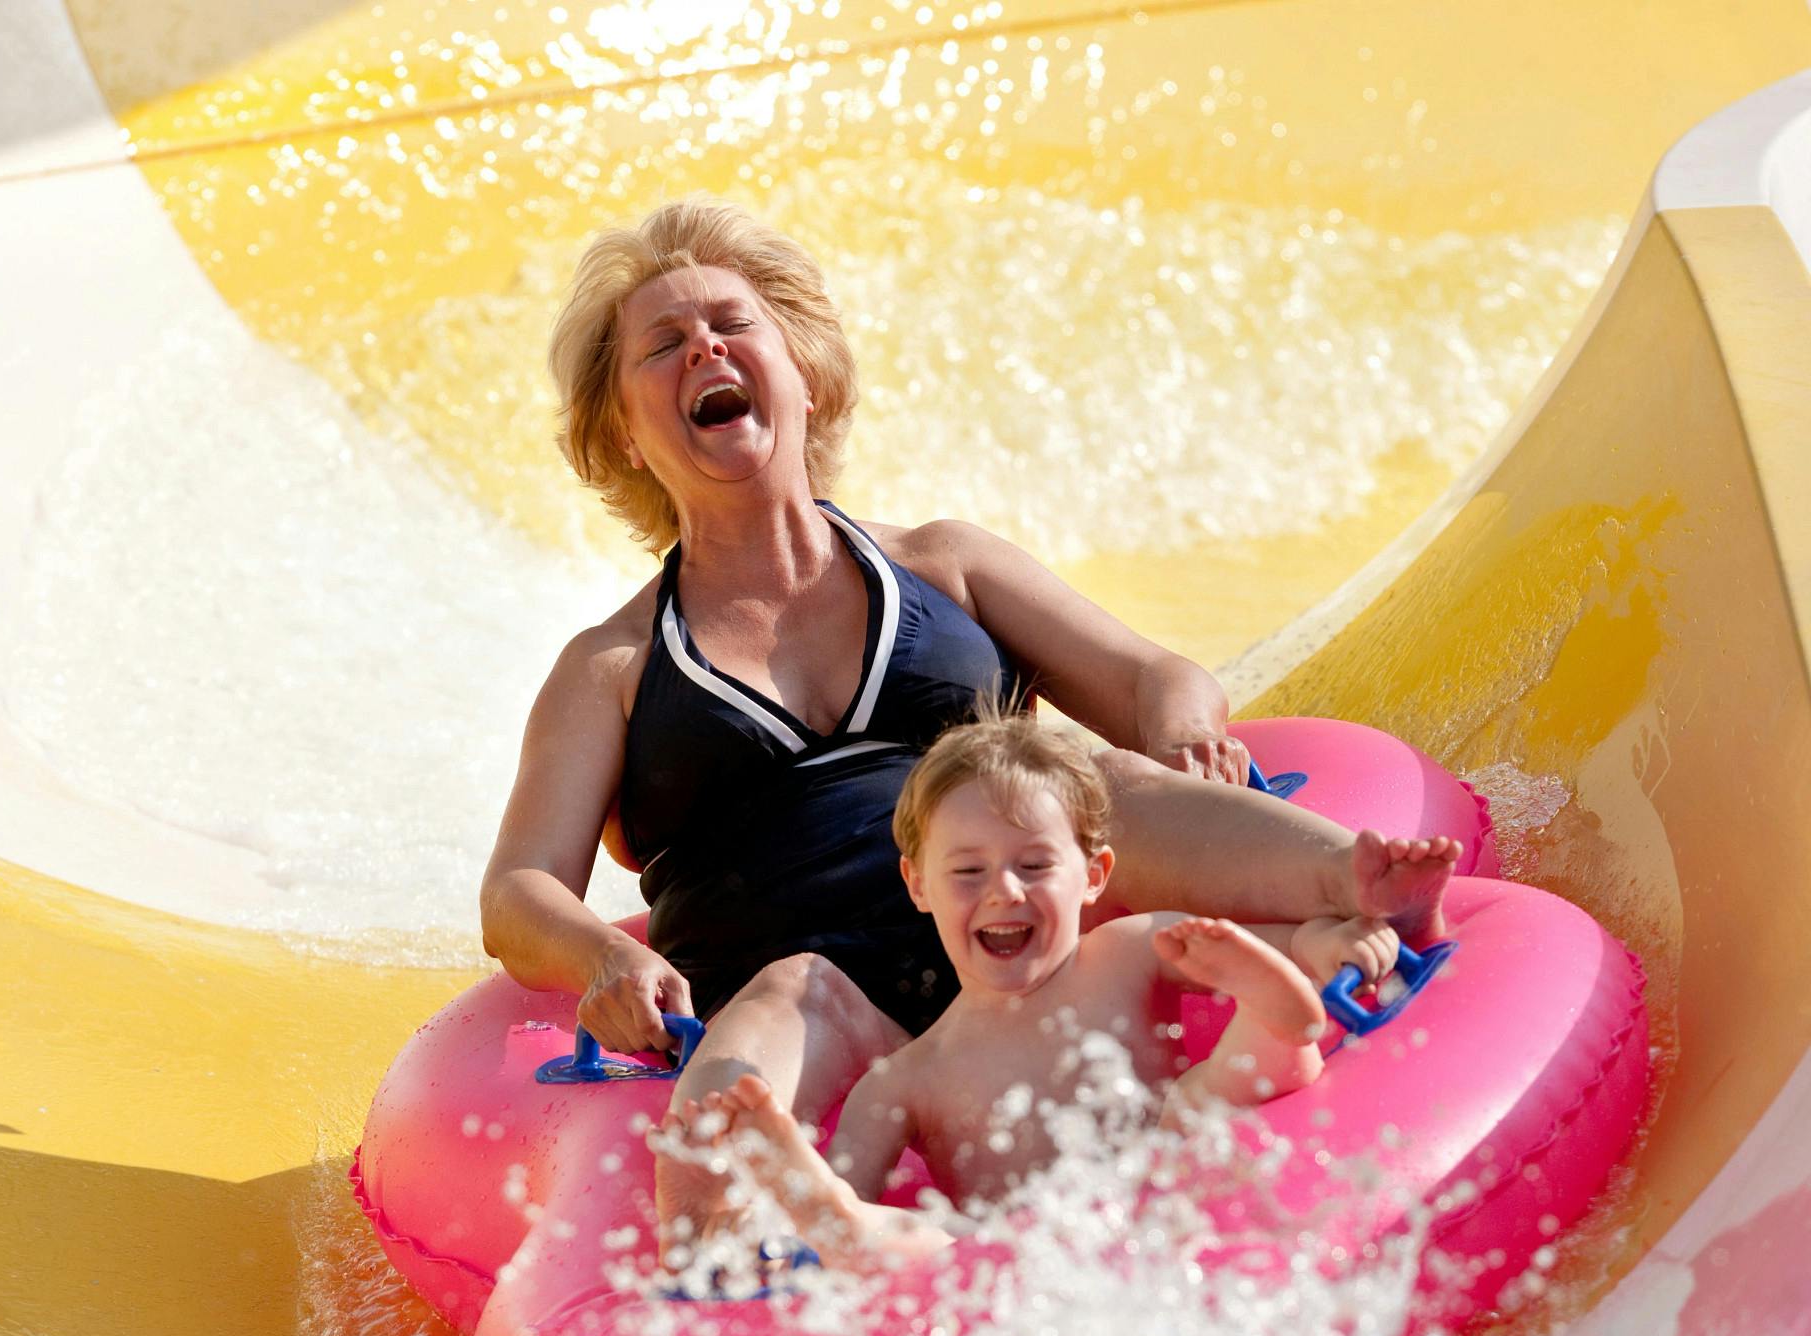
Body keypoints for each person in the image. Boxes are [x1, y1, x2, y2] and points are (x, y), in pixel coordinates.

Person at [477, 197, 1455, 1264]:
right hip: (822, 991)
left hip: (1024, 917)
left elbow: (1149, 678)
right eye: (660, 344)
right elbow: (517, 890)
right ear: (623, 429)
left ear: (802, 370)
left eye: (730, 324)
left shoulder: (942, 564)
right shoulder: (612, 668)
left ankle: (1356, 894)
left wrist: (1182, 735)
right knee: (779, 1000)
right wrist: (594, 960)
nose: (701, 347)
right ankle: (729, 1238)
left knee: (1094, 781)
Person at [669, 711, 1458, 1269]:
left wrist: (1327, 941)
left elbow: (1286, 943)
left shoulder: (1131, 946)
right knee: (923, 1242)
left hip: (1167, 1171)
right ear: (917, 886)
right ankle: (823, 1214)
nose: (1004, 892)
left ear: (1095, 876)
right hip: (1020, 1256)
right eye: (968, 872)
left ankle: (1279, 1012)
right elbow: (870, 1187)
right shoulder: (903, 1080)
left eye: (1035, 866)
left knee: (1201, 1098)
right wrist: (843, 1204)